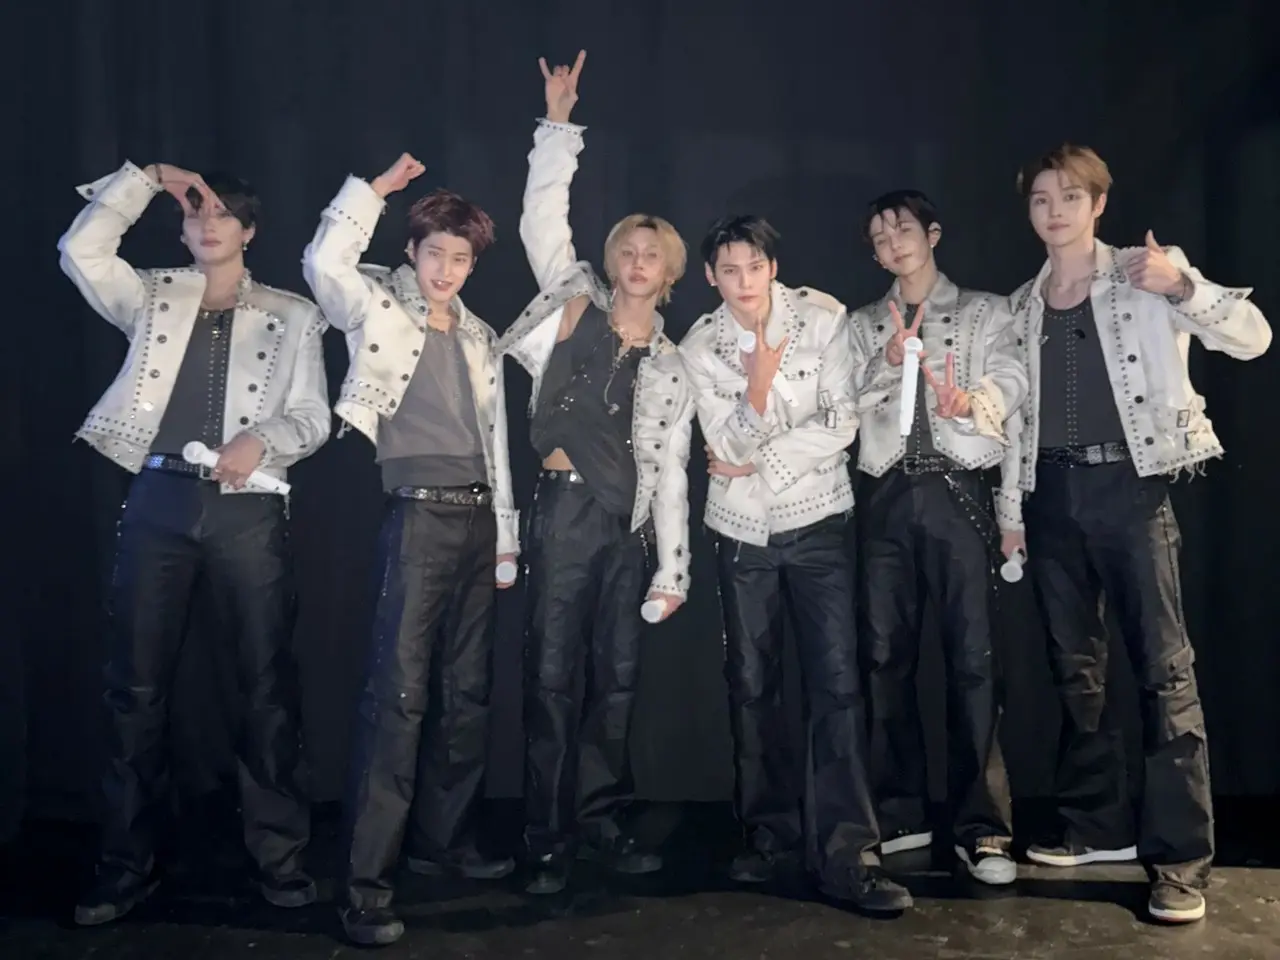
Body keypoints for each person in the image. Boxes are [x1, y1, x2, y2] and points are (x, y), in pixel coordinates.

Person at [999, 144, 1271, 923]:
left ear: (1098, 203)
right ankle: (1096, 825)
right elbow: (1014, 417)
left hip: (1131, 486)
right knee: (1075, 666)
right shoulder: (1021, 303)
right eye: (1041, 198)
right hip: (1050, 493)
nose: (1055, 211)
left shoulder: (1146, 272)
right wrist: (1013, 514)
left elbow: (1252, 337)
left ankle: (1180, 858)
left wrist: (1182, 285)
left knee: (1163, 669)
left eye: (1070, 196)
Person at [59, 162, 330, 925]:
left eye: (224, 214)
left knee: (264, 685)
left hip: (248, 508)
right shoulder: (152, 296)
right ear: (181, 230)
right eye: (195, 213)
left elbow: (314, 416)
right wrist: (145, 179)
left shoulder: (293, 314)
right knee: (135, 687)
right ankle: (125, 865)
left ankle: (279, 857)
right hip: (158, 499)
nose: (209, 224)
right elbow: (80, 250)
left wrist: (263, 439)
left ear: (250, 231)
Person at [302, 153, 519, 946]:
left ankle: (446, 843)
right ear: (412, 252)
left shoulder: (480, 335)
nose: (446, 270)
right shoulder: (378, 305)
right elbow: (323, 263)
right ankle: (365, 887)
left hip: (477, 519)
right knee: (397, 700)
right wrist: (372, 193)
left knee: (466, 695)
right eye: (435, 254)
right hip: (418, 515)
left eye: (460, 258)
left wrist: (506, 539)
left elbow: (497, 443)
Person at [497, 51, 695, 896]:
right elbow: (541, 219)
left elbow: (674, 470)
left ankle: (599, 820)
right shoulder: (572, 302)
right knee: (551, 674)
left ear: (671, 273)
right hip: (563, 510)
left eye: (654, 253)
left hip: (628, 524)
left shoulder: (676, 363)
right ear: (613, 260)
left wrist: (673, 567)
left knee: (616, 678)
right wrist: (558, 126)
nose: (639, 260)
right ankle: (545, 839)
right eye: (629, 249)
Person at [678, 213, 913, 913]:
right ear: (710, 277)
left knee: (837, 684)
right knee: (752, 683)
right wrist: (755, 390)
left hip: (820, 522)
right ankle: (769, 834)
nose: (744, 281)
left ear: (773, 267)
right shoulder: (699, 345)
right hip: (741, 531)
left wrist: (758, 459)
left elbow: (841, 420)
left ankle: (848, 850)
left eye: (755, 266)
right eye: (729, 270)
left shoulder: (822, 317)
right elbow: (720, 440)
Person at [848, 190, 1026, 885]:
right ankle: (898, 813)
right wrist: (886, 361)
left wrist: (973, 402)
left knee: (975, 660)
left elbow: (1014, 381)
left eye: (902, 228)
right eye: (879, 236)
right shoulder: (863, 323)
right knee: (882, 657)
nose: (892, 241)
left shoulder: (985, 310)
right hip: (886, 493)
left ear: (933, 233)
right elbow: (841, 404)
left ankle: (983, 828)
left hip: (959, 490)